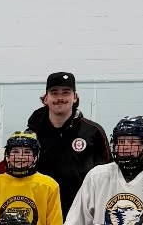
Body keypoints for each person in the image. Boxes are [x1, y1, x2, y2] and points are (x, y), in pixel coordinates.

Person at [25, 71, 110, 214]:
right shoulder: (31, 135)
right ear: (45, 98)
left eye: (66, 92)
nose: (60, 98)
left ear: (75, 97)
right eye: (54, 93)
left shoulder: (93, 132)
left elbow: (108, 175)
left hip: (82, 213)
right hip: (39, 211)